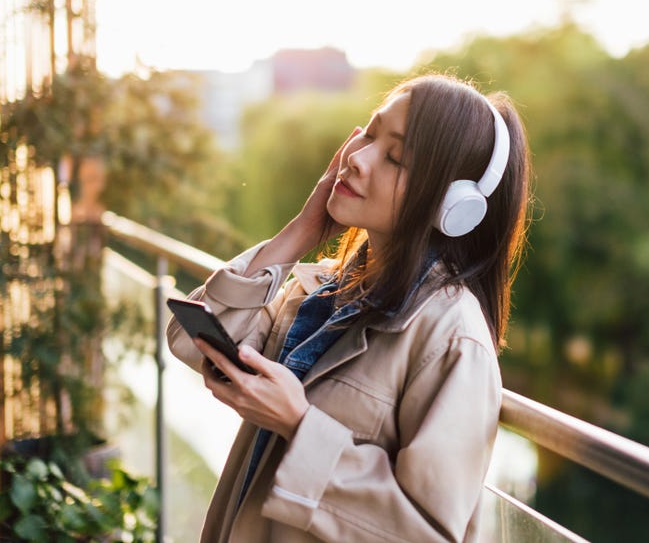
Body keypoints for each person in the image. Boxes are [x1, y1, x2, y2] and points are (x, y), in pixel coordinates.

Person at [166, 73, 531, 542]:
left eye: (394, 157)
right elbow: (192, 343)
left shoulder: (451, 339)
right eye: (368, 135)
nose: (356, 160)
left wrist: (298, 425)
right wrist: (301, 232)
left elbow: (428, 534)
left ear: (451, 204)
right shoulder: (323, 292)